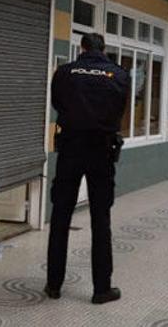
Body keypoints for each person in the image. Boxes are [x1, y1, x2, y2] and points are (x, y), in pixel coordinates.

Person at [46, 32, 129, 305]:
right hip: (101, 150)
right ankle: (101, 289)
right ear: (103, 49)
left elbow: (57, 103)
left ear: (81, 48)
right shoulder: (118, 75)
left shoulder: (65, 72)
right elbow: (120, 109)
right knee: (100, 219)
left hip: (71, 148)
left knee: (60, 216)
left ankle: (54, 285)